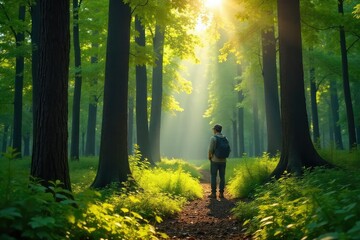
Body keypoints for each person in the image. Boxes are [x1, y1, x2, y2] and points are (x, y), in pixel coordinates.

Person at [208, 124, 228, 199]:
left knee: (213, 176)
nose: (213, 131)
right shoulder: (225, 138)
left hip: (215, 160)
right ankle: (221, 194)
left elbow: (210, 150)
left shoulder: (213, 138)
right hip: (223, 160)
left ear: (215, 130)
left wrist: (210, 157)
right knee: (222, 177)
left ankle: (213, 194)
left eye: (213, 129)